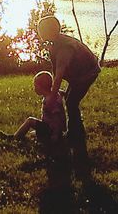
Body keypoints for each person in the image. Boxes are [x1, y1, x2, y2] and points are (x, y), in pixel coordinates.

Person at [37, 16, 101, 185]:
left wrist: (52, 96)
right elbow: (56, 70)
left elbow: (59, 73)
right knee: (70, 98)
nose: (39, 32)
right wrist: (55, 91)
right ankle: (71, 132)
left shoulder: (64, 48)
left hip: (88, 73)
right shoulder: (55, 43)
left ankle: (76, 134)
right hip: (77, 75)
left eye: (41, 29)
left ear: (50, 31)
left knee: (72, 103)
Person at [0, 71, 70, 189]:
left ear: (41, 87)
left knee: (30, 121)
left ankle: (14, 137)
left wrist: (55, 134)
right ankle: (35, 136)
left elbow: (58, 118)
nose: (34, 88)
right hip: (49, 127)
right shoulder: (54, 94)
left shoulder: (50, 100)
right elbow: (61, 93)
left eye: (35, 86)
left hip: (51, 129)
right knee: (33, 134)